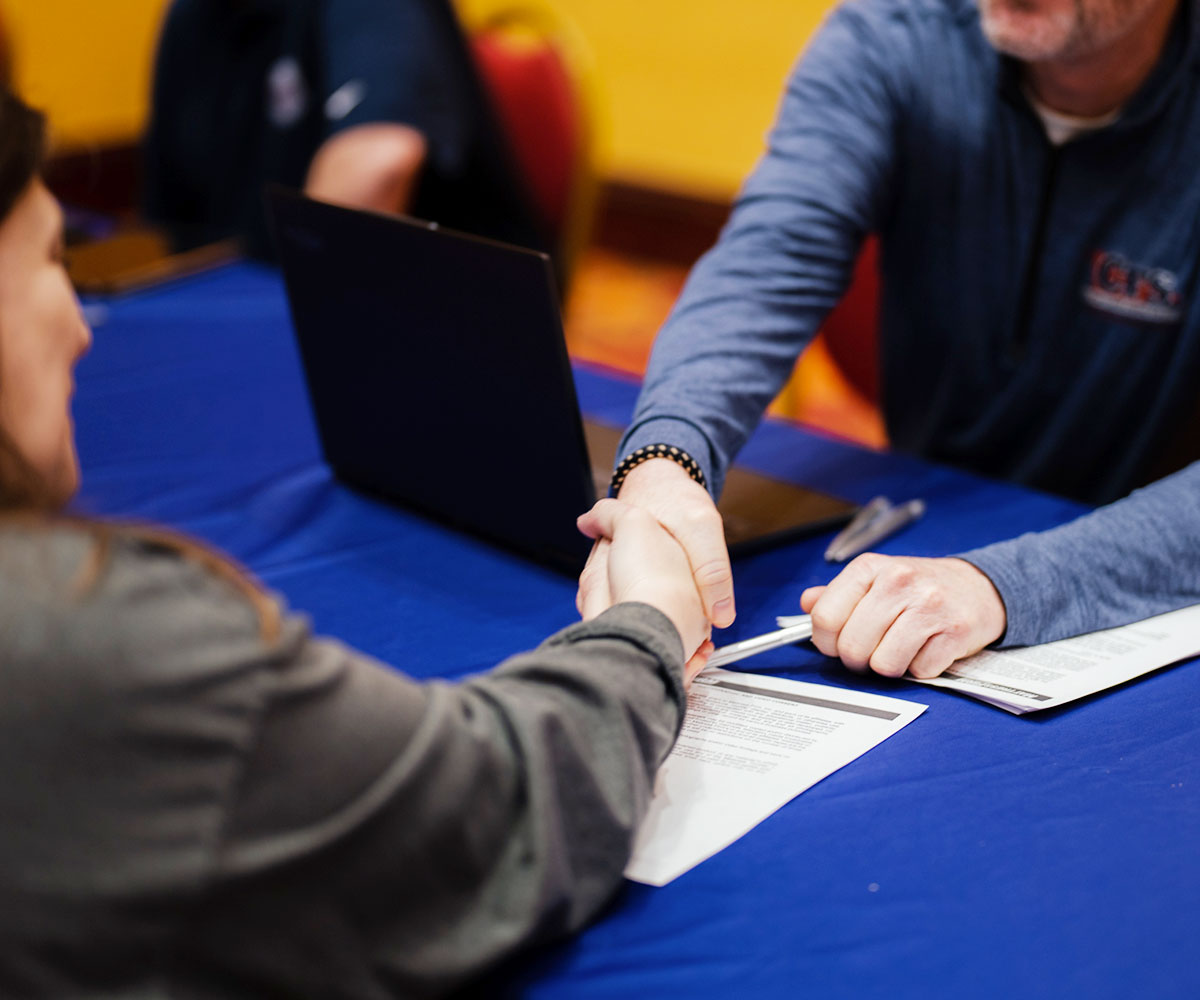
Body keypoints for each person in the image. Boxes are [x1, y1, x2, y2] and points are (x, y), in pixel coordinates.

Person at [0, 90, 710, 997]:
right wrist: (646, 620)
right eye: (48, 260)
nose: (76, 321)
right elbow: (503, 803)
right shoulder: (96, 635)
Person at [607, 0, 1200, 681]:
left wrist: (1006, 586)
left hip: (1156, 580)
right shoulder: (896, 32)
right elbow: (768, 263)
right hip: (926, 523)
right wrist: (663, 463)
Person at [142, 0, 548, 262]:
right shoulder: (190, 18)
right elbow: (167, 224)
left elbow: (379, 158)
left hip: (451, 326)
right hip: (236, 297)